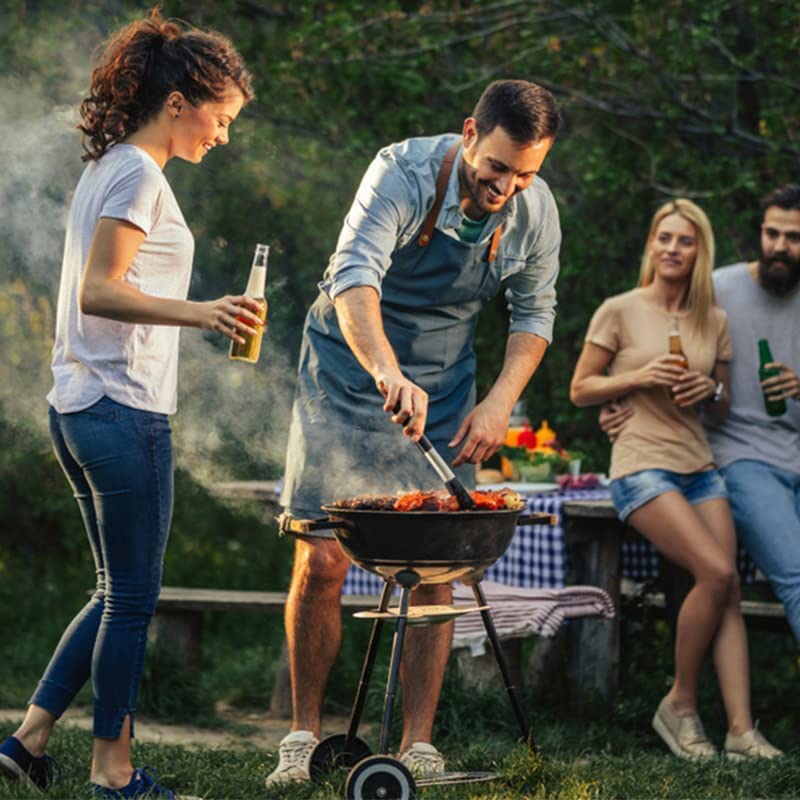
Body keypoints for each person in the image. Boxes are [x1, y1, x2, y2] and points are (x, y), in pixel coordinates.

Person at [270, 79, 562, 785]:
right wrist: (386, 371)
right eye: (498, 167)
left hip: (447, 382)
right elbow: (353, 279)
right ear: (469, 134)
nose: (508, 187)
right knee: (324, 559)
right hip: (345, 370)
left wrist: (496, 403)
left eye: (526, 173)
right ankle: (303, 735)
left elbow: (534, 316)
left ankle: (418, 745)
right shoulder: (398, 173)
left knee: (438, 564)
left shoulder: (534, 210)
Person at [0, 10, 260, 799]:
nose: (223, 136)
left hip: (80, 405)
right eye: (221, 119)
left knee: (115, 592)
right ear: (179, 101)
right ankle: (113, 773)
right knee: (134, 602)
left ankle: (26, 742)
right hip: (120, 410)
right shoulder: (139, 173)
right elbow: (100, 290)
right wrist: (204, 312)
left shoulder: (113, 164)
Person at [570, 199, 781, 760]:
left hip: (699, 465)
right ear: (651, 245)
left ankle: (740, 731)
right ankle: (680, 703)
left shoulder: (713, 320)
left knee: (728, 588)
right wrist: (637, 377)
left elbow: (722, 406)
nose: (672, 249)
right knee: (713, 571)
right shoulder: (619, 309)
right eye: (664, 238)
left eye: (685, 241)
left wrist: (705, 391)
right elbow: (581, 388)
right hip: (641, 466)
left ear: (698, 251)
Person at [602, 186, 800, 642]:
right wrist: (618, 405)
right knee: (794, 576)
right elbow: (643, 333)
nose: (779, 247)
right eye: (772, 234)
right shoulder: (718, 289)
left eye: (793, 238)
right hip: (741, 455)